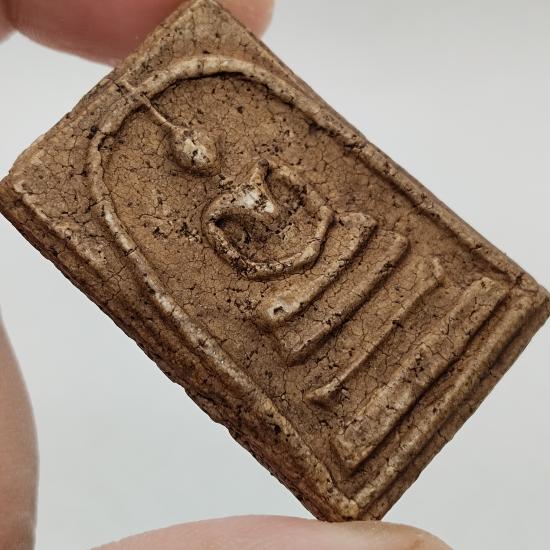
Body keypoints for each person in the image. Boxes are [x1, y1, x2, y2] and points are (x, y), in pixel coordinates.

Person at [0, 1, 451, 548]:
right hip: (286, 282)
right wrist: (281, 265)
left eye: (197, 146)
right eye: (188, 153)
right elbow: (239, 260)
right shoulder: (217, 212)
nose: (197, 156)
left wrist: (317, 242)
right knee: (277, 313)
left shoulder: (262, 170)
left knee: (373, 237)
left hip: (329, 246)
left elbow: (316, 205)